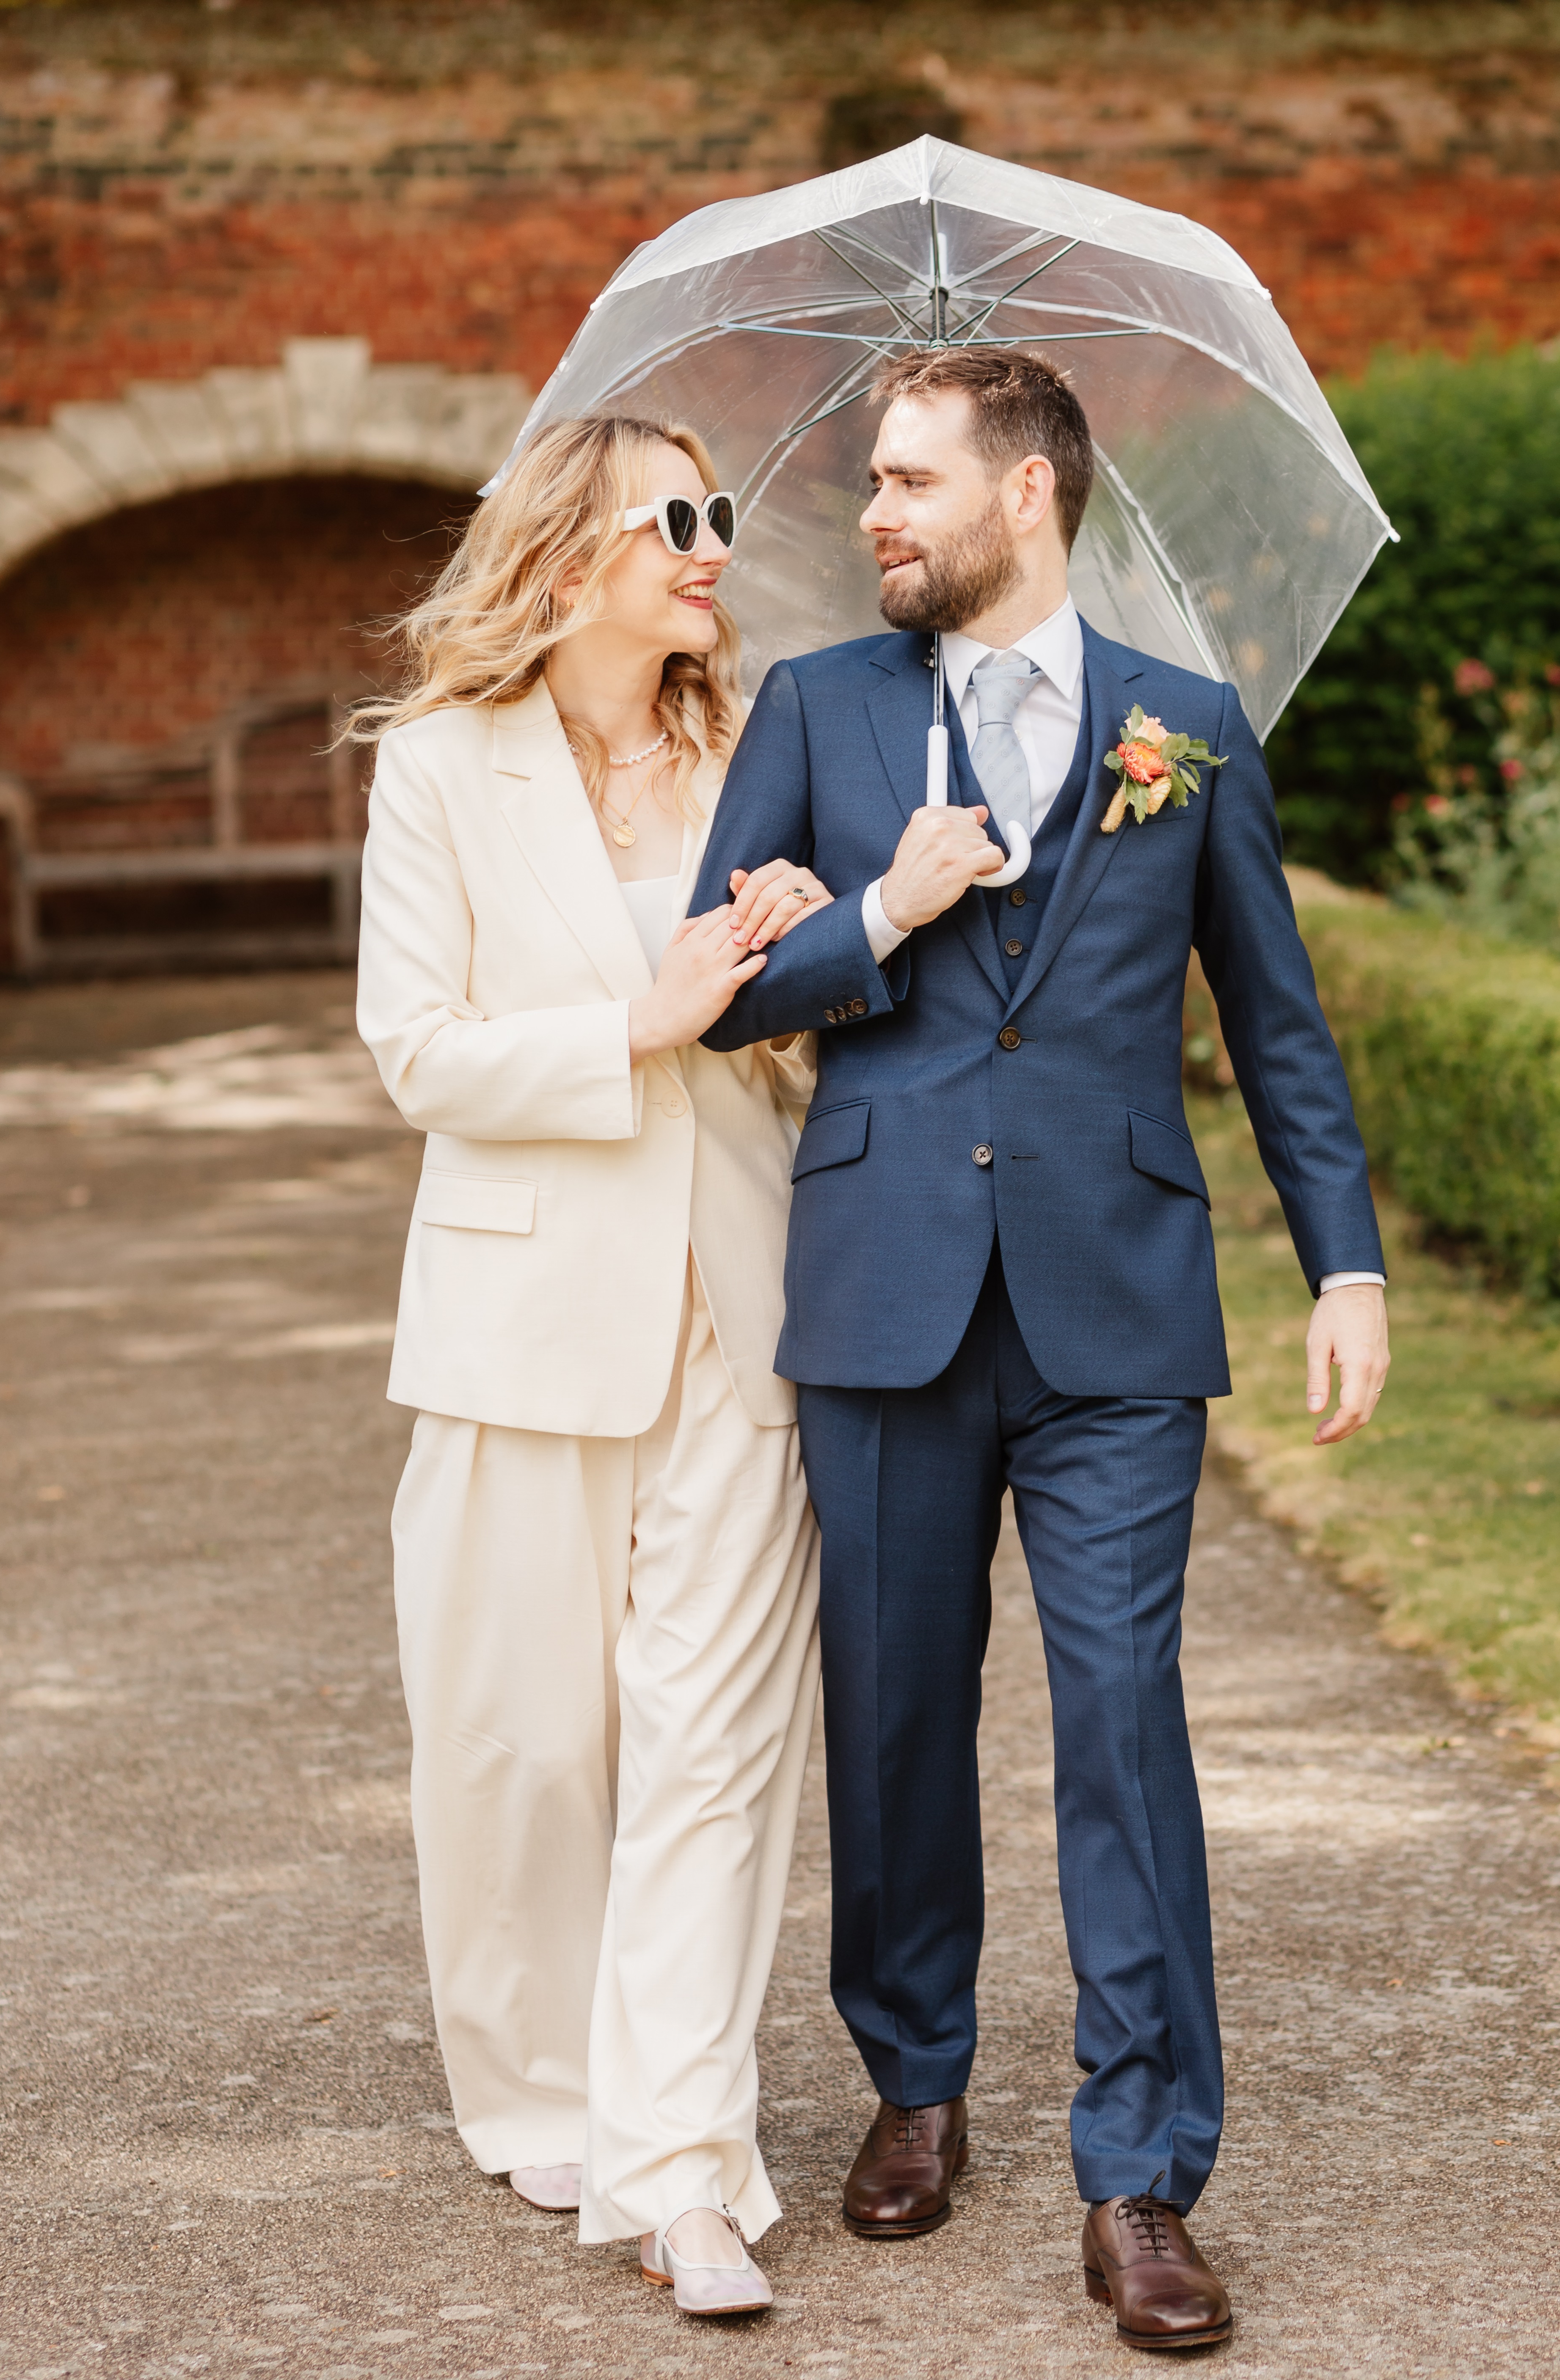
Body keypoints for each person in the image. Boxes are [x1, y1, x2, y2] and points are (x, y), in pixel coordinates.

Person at [691, 345, 1390, 2352]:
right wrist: (881, 920)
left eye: (910, 481)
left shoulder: (1188, 728)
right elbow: (716, 986)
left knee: (1125, 1725)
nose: (875, 515)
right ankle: (916, 2074)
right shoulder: (818, 713)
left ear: (1030, 494)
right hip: (887, 1299)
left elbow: (1275, 1024)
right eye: (872, 483)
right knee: (896, 1717)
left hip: (1115, 1309)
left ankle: (1145, 2175)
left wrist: (1341, 1265)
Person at [354, 413, 834, 2317]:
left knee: (713, 1753)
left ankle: (684, 2159)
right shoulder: (441, 768)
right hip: (522, 1317)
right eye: (679, 519)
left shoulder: (762, 748)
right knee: (528, 1744)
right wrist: (640, 1021)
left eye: (720, 517)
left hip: (744, 1306)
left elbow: (796, 1052)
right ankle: (535, 2085)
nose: (716, 547)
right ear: (573, 550)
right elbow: (422, 1051)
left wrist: (797, 971)